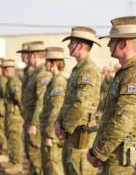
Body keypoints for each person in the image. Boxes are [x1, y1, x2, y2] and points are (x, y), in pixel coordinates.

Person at [87, 16, 136, 174]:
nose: (109, 44)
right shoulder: (128, 72)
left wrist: (99, 152)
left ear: (124, 43)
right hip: (118, 151)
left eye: (112, 40)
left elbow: (123, 121)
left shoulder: (134, 75)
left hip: (122, 156)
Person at [55, 26, 102, 175]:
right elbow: (68, 101)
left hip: (80, 134)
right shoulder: (78, 69)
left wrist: (65, 126)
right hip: (72, 133)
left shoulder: (88, 70)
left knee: (78, 170)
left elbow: (81, 104)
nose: (68, 46)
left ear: (80, 46)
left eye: (71, 43)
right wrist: (59, 121)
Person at [24, 41, 52, 175]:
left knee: (36, 156)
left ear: (34, 55)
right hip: (29, 117)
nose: (26, 58)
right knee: (31, 153)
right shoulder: (35, 73)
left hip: (37, 122)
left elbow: (41, 102)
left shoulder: (43, 75)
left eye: (28, 55)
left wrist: (34, 123)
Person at [41, 47, 67, 175]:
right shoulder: (53, 81)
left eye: (46, 61)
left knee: (54, 167)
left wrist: (50, 135)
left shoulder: (59, 83)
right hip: (49, 131)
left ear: (53, 63)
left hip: (53, 134)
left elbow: (56, 110)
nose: (44, 63)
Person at [1, 59, 24, 174]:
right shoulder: (9, 81)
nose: (5, 71)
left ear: (11, 69)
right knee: (10, 138)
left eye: (7, 69)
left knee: (15, 139)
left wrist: (19, 112)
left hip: (14, 116)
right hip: (10, 115)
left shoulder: (14, 82)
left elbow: (19, 99)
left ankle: (18, 163)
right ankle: (13, 160)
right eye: (4, 69)